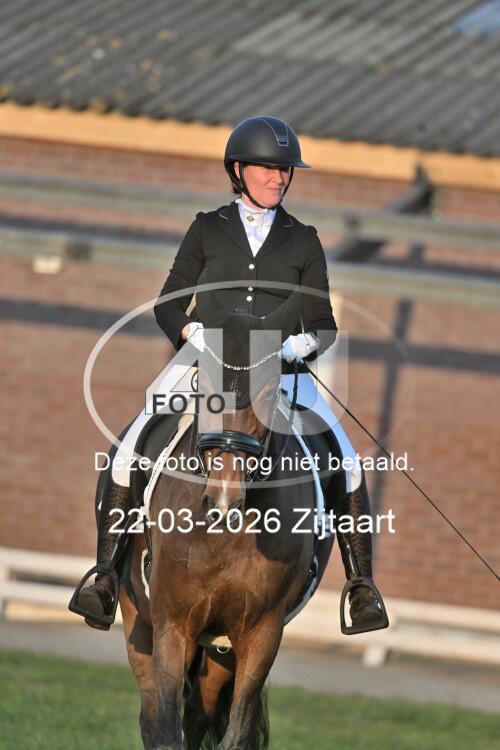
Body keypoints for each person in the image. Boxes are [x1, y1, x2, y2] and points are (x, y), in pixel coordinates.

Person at [70, 115, 387, 634]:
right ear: (238, 171)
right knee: (129, 449)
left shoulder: (304, 241)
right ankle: (104, 574)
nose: (278, 178)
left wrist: (298, 345)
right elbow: (168, 304)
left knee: (347, 463)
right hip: (207, 364)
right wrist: (192, 333)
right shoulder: (207, 228)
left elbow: (324, 326)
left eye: (284, 170)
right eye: (267, 168)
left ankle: (361, 588)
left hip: (279, 371)